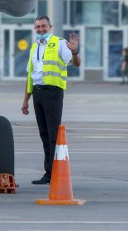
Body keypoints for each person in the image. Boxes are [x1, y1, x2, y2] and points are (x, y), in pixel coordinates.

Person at [21, 15, 81, 185]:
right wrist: (26, 100)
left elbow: (76, 63)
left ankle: (54, 173)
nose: (40, 29)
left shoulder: (59, 43)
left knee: (53, 135)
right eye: (37, 27)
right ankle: (49, 172)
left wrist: (75, 51)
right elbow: (30, 76)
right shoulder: (34, 48)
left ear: (50, 27)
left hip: (53, 92)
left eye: (43, 26)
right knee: (44, 135)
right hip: (38, 93)